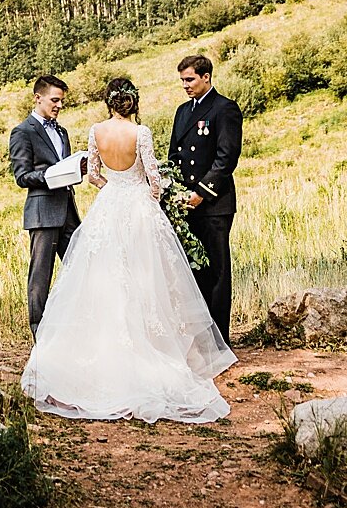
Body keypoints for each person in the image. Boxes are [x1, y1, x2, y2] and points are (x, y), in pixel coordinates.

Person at [21, 77, 235, 423]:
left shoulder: (95, 132)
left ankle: (96, 355)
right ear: (133, 103)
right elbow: (154, 178)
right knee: (145, 276)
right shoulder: (142, 133)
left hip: (109, 205)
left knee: (100, 281)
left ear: (109, 103)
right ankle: (153, 347)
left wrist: (112, 187)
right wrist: (153, 193)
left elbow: (92, 175)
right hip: (137, 208)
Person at [170, 53, 241, 341]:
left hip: (214, 203)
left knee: (218, 270)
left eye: (190, 79)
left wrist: (201, 192)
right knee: (194, 271)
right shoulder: (182, 112)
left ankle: (220, 339)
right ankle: (201, 336)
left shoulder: (224, 109)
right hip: (186, 204)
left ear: (206, 77)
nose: (185, 85)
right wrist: (175, 191)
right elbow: (174, 154)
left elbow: (226, 158)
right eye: (182, 81)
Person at [7, 75, 80, 336]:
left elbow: (65, 165)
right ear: (38, 98)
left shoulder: (62, 131)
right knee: (40, 276)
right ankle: (40, 333)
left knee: (83, 266)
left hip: (68, 210)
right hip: (43, 213)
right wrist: (52, 174)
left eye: (62, 101)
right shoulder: (22, 132)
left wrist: (75, 170)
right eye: (55, 100)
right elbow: (22, 176)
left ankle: (76, 325)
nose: (59, 105)